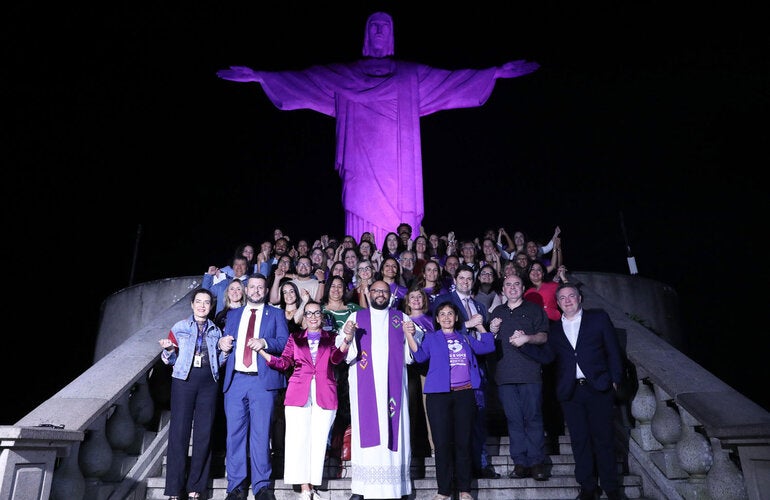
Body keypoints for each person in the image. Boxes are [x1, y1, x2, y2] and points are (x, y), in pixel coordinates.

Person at [216, 11, 539, 244]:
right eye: (374, 26)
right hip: (360, 161)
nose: (380, 31)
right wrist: (261, 77)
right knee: (359, 218)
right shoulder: (346, 74)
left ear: (393, 34)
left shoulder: (409, 74)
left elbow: (452, 81)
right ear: (366, 35)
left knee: (401, 221)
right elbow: (306, 80)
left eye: (386, 26)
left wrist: (493, 73)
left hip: (398, 166)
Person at [257, 300, 348, 500]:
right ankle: (304, 488)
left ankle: (313, 484)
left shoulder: (331, 337)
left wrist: (346, 341)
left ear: (322, 317)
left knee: (318, 440)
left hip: (325, 393)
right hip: (298, 392)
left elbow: (335, 359)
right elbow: (284, 362)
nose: (313, 317)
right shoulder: (295, 338)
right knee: (298, 439)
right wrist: (264, 353)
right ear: (304, 318)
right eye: (309, 313)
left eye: (317, 313)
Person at [405, 301, 495, 500]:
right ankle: (443, 491)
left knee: (463, 443)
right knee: (442, 443)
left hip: (464, 394)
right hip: (439, 397)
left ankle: (464, 490)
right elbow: (419, 357)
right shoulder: (431, 338)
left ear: (456, 318)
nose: (446, 317)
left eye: (450, 314)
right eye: (442, 314)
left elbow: (488, 346)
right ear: (437, 319)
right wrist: (409, 335)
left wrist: (480, 325)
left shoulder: (466, 338)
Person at [338, 280, 419, 500]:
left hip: (393, 385)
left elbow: (416, 349)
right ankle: (362, 487)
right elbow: (341, 348)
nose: (380, 295)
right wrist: (346, 334)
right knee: (366, 431)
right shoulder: (356, 317)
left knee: (395, 431)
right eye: (376, 291)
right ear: (369, 293)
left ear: (390, 295)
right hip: (364, 384)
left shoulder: (401, 318)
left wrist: (412, 332)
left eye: (384, 291)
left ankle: (397, 488)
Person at [548, 283, 624, 500]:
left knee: (604, 439)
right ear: (558, 303)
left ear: (580, 298)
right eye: (562, 298)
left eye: (572, 295)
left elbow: (613, 350)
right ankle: (588, 487)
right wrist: (524, 342)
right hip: (571, 393)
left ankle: (611, 487)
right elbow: (548, 357)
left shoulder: (598, 318)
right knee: (579, 441)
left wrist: (615, 379)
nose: (568, 300)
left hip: (598, 387)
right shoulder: (554, 330)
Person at [217, 274, 289, 500]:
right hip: (236, 380)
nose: (256, 290)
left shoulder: (276, 314)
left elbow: (285, 344)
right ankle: (236, 486)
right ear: (246, 290)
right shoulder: (233, 314)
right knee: (234, 435)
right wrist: (222, 344)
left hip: (262, 381)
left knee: (260, 434)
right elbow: (225, 343)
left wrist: (265, 343)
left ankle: (262, 486)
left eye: (261, 287)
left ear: (266, 291)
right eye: (253, 287)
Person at [159, 288, 227, 500]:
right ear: (192, 304)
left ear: (211, 306)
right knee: (179, 433)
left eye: (207, 302)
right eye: (199, 301)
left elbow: (220, 361)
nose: (202, 306)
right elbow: (169, 360)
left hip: (209, 383)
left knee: (203, 434)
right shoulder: (179, 327)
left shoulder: (216, 330)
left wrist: (225, 350)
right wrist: (169, 350)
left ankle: (195, 488)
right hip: (183, 381)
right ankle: (173, 490)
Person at [432, 264, 499, 479]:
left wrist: (487, 330)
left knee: (477, 419)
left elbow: (483, 337)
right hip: (452, 374)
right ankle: (457, 471)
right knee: (454, 426)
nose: (466, 282)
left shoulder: (479, 306)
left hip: (476, 368)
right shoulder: (444, 301)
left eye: (470, 279)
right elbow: (440, 331)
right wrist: (468, 324)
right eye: (462, 278)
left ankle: (479, 464)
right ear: (455, 280)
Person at [488, 273, 554, 482]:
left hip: (530, 373)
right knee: (514, 420)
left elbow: (543, 335)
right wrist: (491, 330)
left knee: (533, 418)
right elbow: (489, 342)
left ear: (523, 287)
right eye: (508, 285)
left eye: (517, 284)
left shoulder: (533, 310)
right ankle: (520, 463)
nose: (513, 287)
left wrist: (527, 338)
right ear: (503, 290)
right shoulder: (497, 312)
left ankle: (537, 463)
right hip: (505, 375)